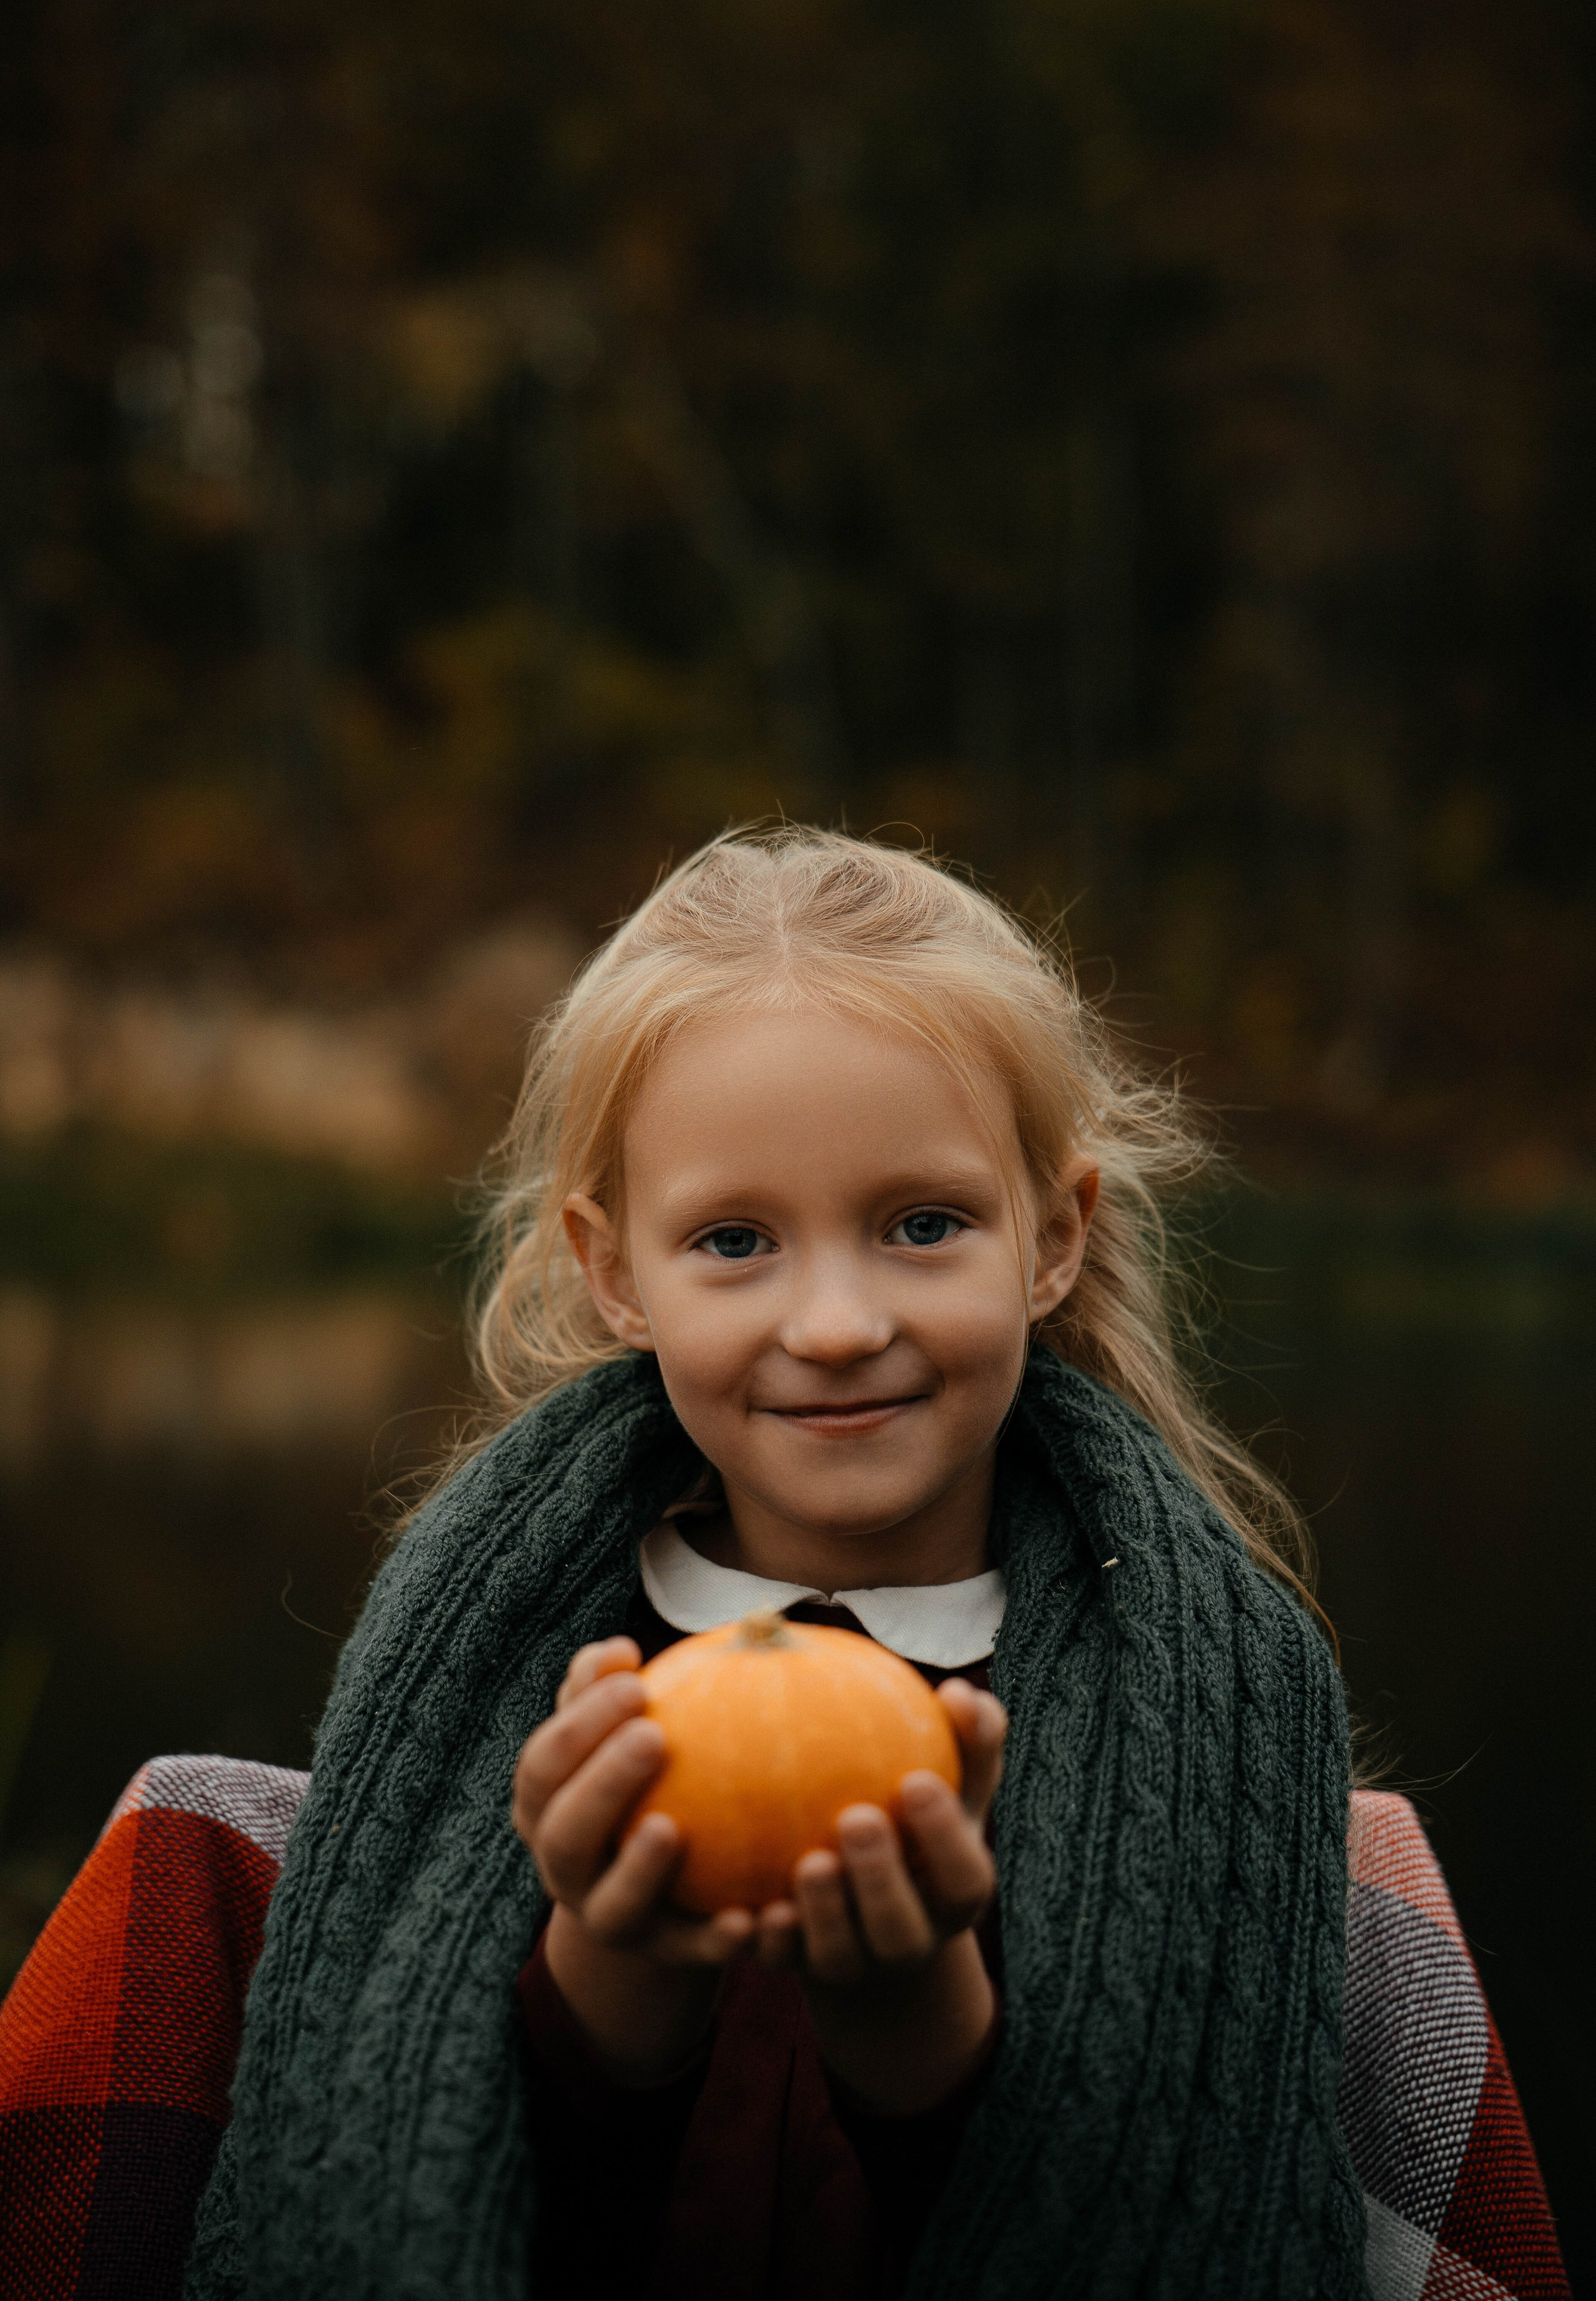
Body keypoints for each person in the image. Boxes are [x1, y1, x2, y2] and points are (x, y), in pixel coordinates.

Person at [0, 828, 1570, 2300]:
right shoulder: (518, 1711)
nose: (833, 1324)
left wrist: (918, 2028)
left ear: (1052, 1236)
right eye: (734, 1242)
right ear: (612, 1270)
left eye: (921, 1224)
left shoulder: (1224, 1778)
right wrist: (609, 1973)